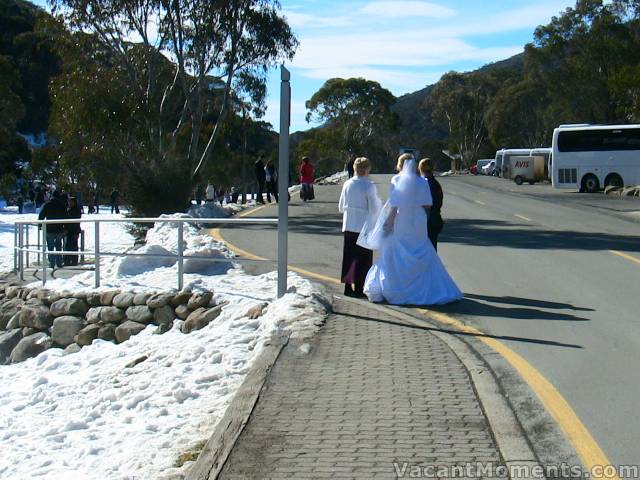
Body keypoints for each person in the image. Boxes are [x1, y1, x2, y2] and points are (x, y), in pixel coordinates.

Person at [360, 153, 462, 305]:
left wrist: (388, 223)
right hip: (418, 220)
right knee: (421, 248)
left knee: (399, 249)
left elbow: (394, 206)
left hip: (403, 219)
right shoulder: (422, 182)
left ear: (400, 165)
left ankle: (397, 287)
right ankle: (427, 288)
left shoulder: (396, 180)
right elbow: (428, 204)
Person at [338, 157, 381, 298]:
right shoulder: (369, 186)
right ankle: (359, 287)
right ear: (367, 169)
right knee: (363, 258)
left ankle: (347, 285)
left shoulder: (347, 184)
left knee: (349, 256)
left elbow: (341, 206)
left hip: (349, 224)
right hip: (364, 226)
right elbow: (374, 208)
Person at [419, 158, 444, 251]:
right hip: (436, 218)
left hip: (428, 221)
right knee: (432, 248)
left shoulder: (424, 184)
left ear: (420, 168)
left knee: (426, 251)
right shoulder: (436, 183)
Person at [38, 190, 68, 269]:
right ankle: (59, 262)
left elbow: (41, 215)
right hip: (59, 229)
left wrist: (40, 225)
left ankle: (51, 263)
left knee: (50, 247)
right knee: (58, 246)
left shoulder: (47, 205)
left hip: (49, 229)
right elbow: (65, 217)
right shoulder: (62, 205)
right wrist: (65, 227)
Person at [64, 196, 82, 266]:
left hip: (73, 231)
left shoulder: (75, 210)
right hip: (72, 231)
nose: (69, 203)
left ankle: (70, 261)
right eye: (69, 202)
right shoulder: (71, 210)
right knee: (71, 245)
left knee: (71, 246)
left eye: (71, 202)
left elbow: (73, 222)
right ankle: (71, 260)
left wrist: (67, 228)